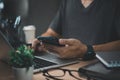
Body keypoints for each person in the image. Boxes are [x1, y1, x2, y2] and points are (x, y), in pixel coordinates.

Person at [32, 0, 120, 60]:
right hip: (66, 67)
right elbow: (52, 33)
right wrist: (41, 40)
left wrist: (86, 50)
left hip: (99, 70)